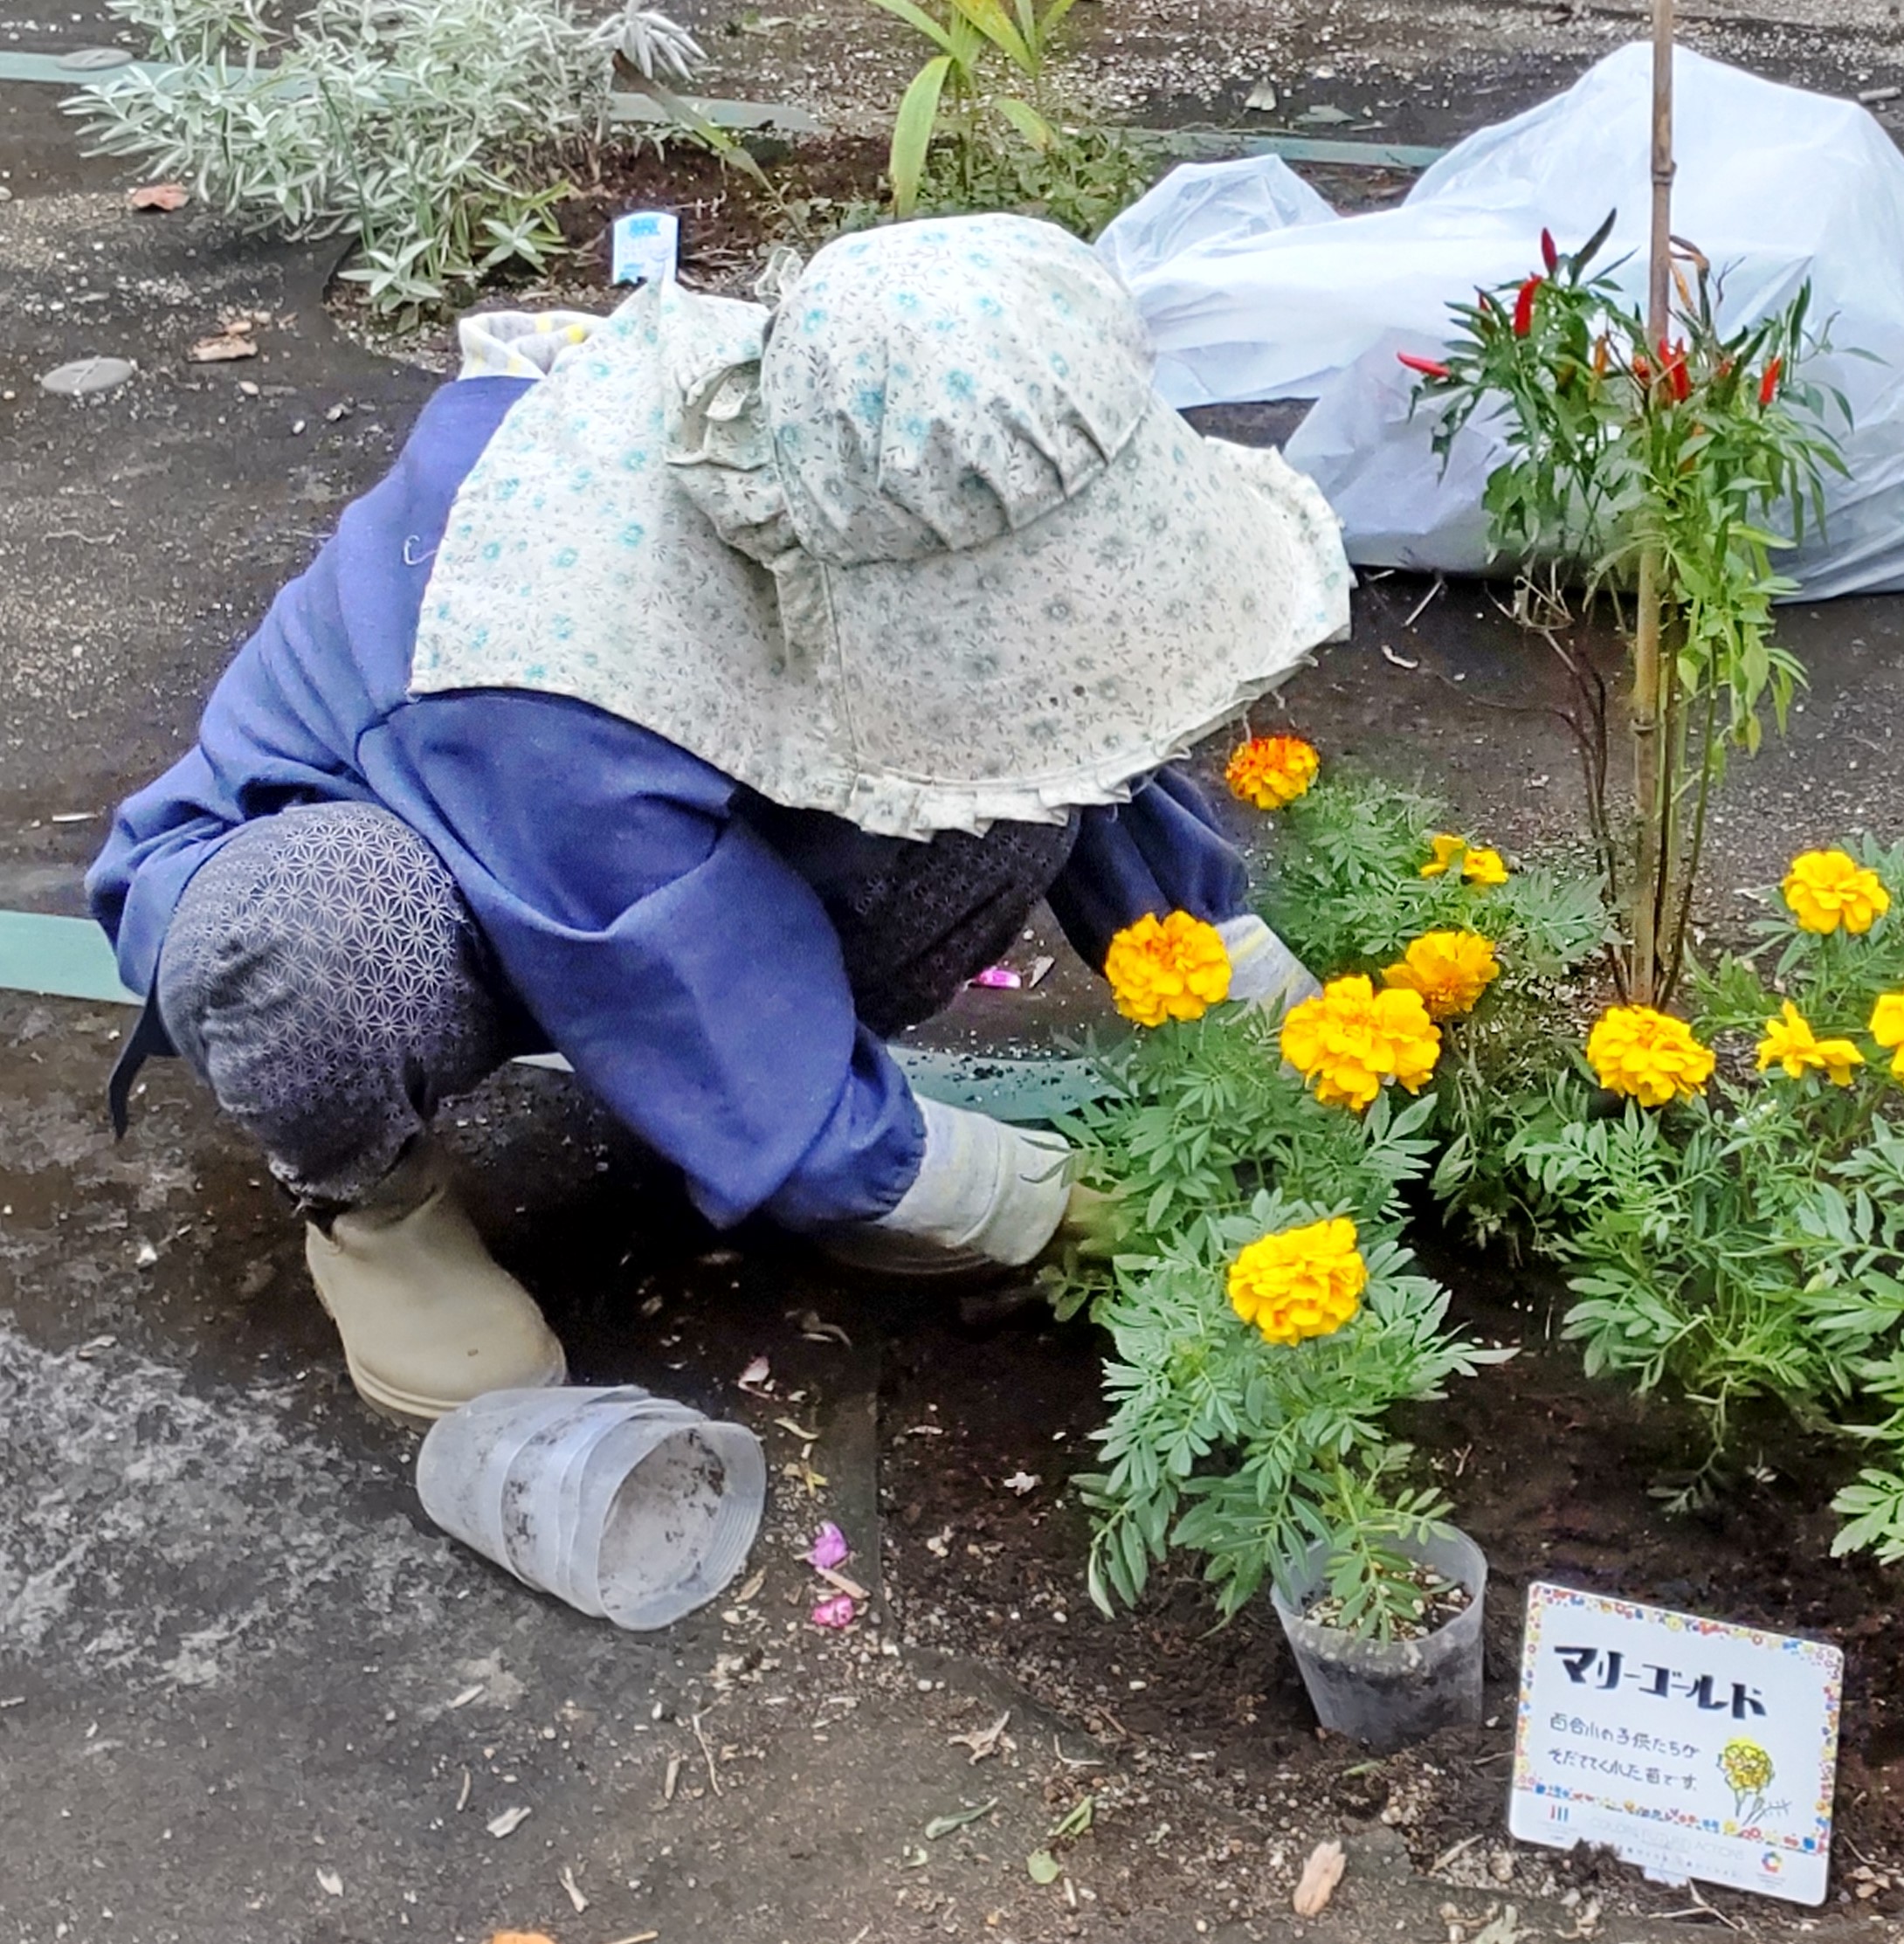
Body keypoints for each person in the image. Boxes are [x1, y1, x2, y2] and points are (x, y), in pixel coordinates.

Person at [86, 216, 1346, 1424]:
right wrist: (1032, 1200)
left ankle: (817, 1132)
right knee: (297, 936)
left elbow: (1074, 703)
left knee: (994, 746)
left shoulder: (866, 430)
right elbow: (679, 963)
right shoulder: (550, 643)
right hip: (422, 878)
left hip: (648, 828)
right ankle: (376, 1210)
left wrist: (1241, 967)